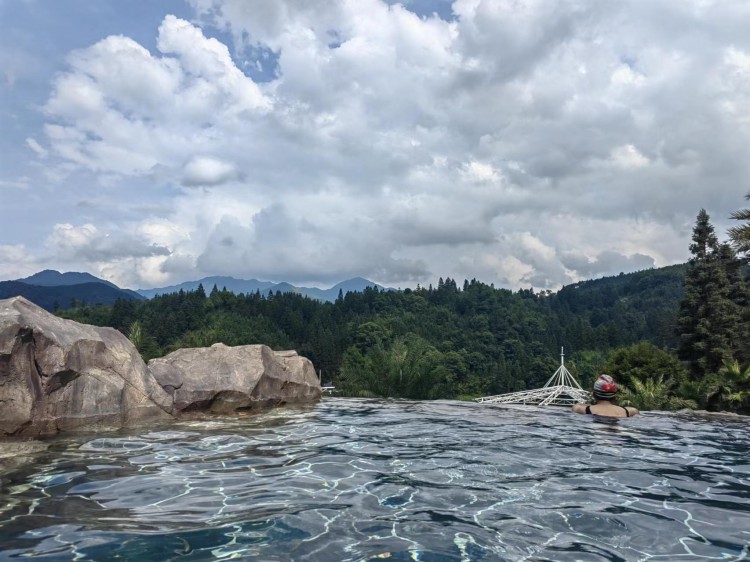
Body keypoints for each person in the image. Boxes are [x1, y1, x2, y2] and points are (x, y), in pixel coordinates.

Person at [572, 374, 638, 418]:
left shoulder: (583, 409)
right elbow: (635, 411)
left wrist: (590, 405)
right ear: (615, 396)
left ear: (594, 395)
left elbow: (576, 406)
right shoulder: (630, 412)